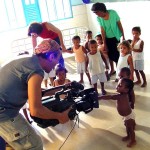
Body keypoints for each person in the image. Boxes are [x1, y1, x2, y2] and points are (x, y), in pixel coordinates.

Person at [0, 38, 71, 149]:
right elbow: (36, 110)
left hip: (4, 109)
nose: (56, 64)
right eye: (58, 59)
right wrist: (60, 116)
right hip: (4, 114)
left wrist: (61, 88)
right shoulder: (36, 70)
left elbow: (34, 92)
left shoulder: (27, 60)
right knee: (34, 145)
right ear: (51, 57)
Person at [99, 78, 136, 147]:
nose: (117, 86)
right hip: (126, 115)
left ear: (126, 90)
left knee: (130, 128)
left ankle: (133, 140)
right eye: (118, 84)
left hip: (129, 116)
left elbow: (110, 97)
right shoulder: (121, 94)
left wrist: (100, 97)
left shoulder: (121, 96)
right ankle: (128, 136)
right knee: (127, 126)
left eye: (120, 85)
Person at [91, 2, 125, 76]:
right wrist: (104, 43)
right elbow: (102, 30)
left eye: (96, 12)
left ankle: (119, 71)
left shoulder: (113, 13)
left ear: (101, 10)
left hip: (116, 37)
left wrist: (123, 35)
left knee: (116, 55)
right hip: (107, 38)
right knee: (109, 54)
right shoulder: (99, 18)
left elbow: (119, 24)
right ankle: (112, 70)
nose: (96, 14)